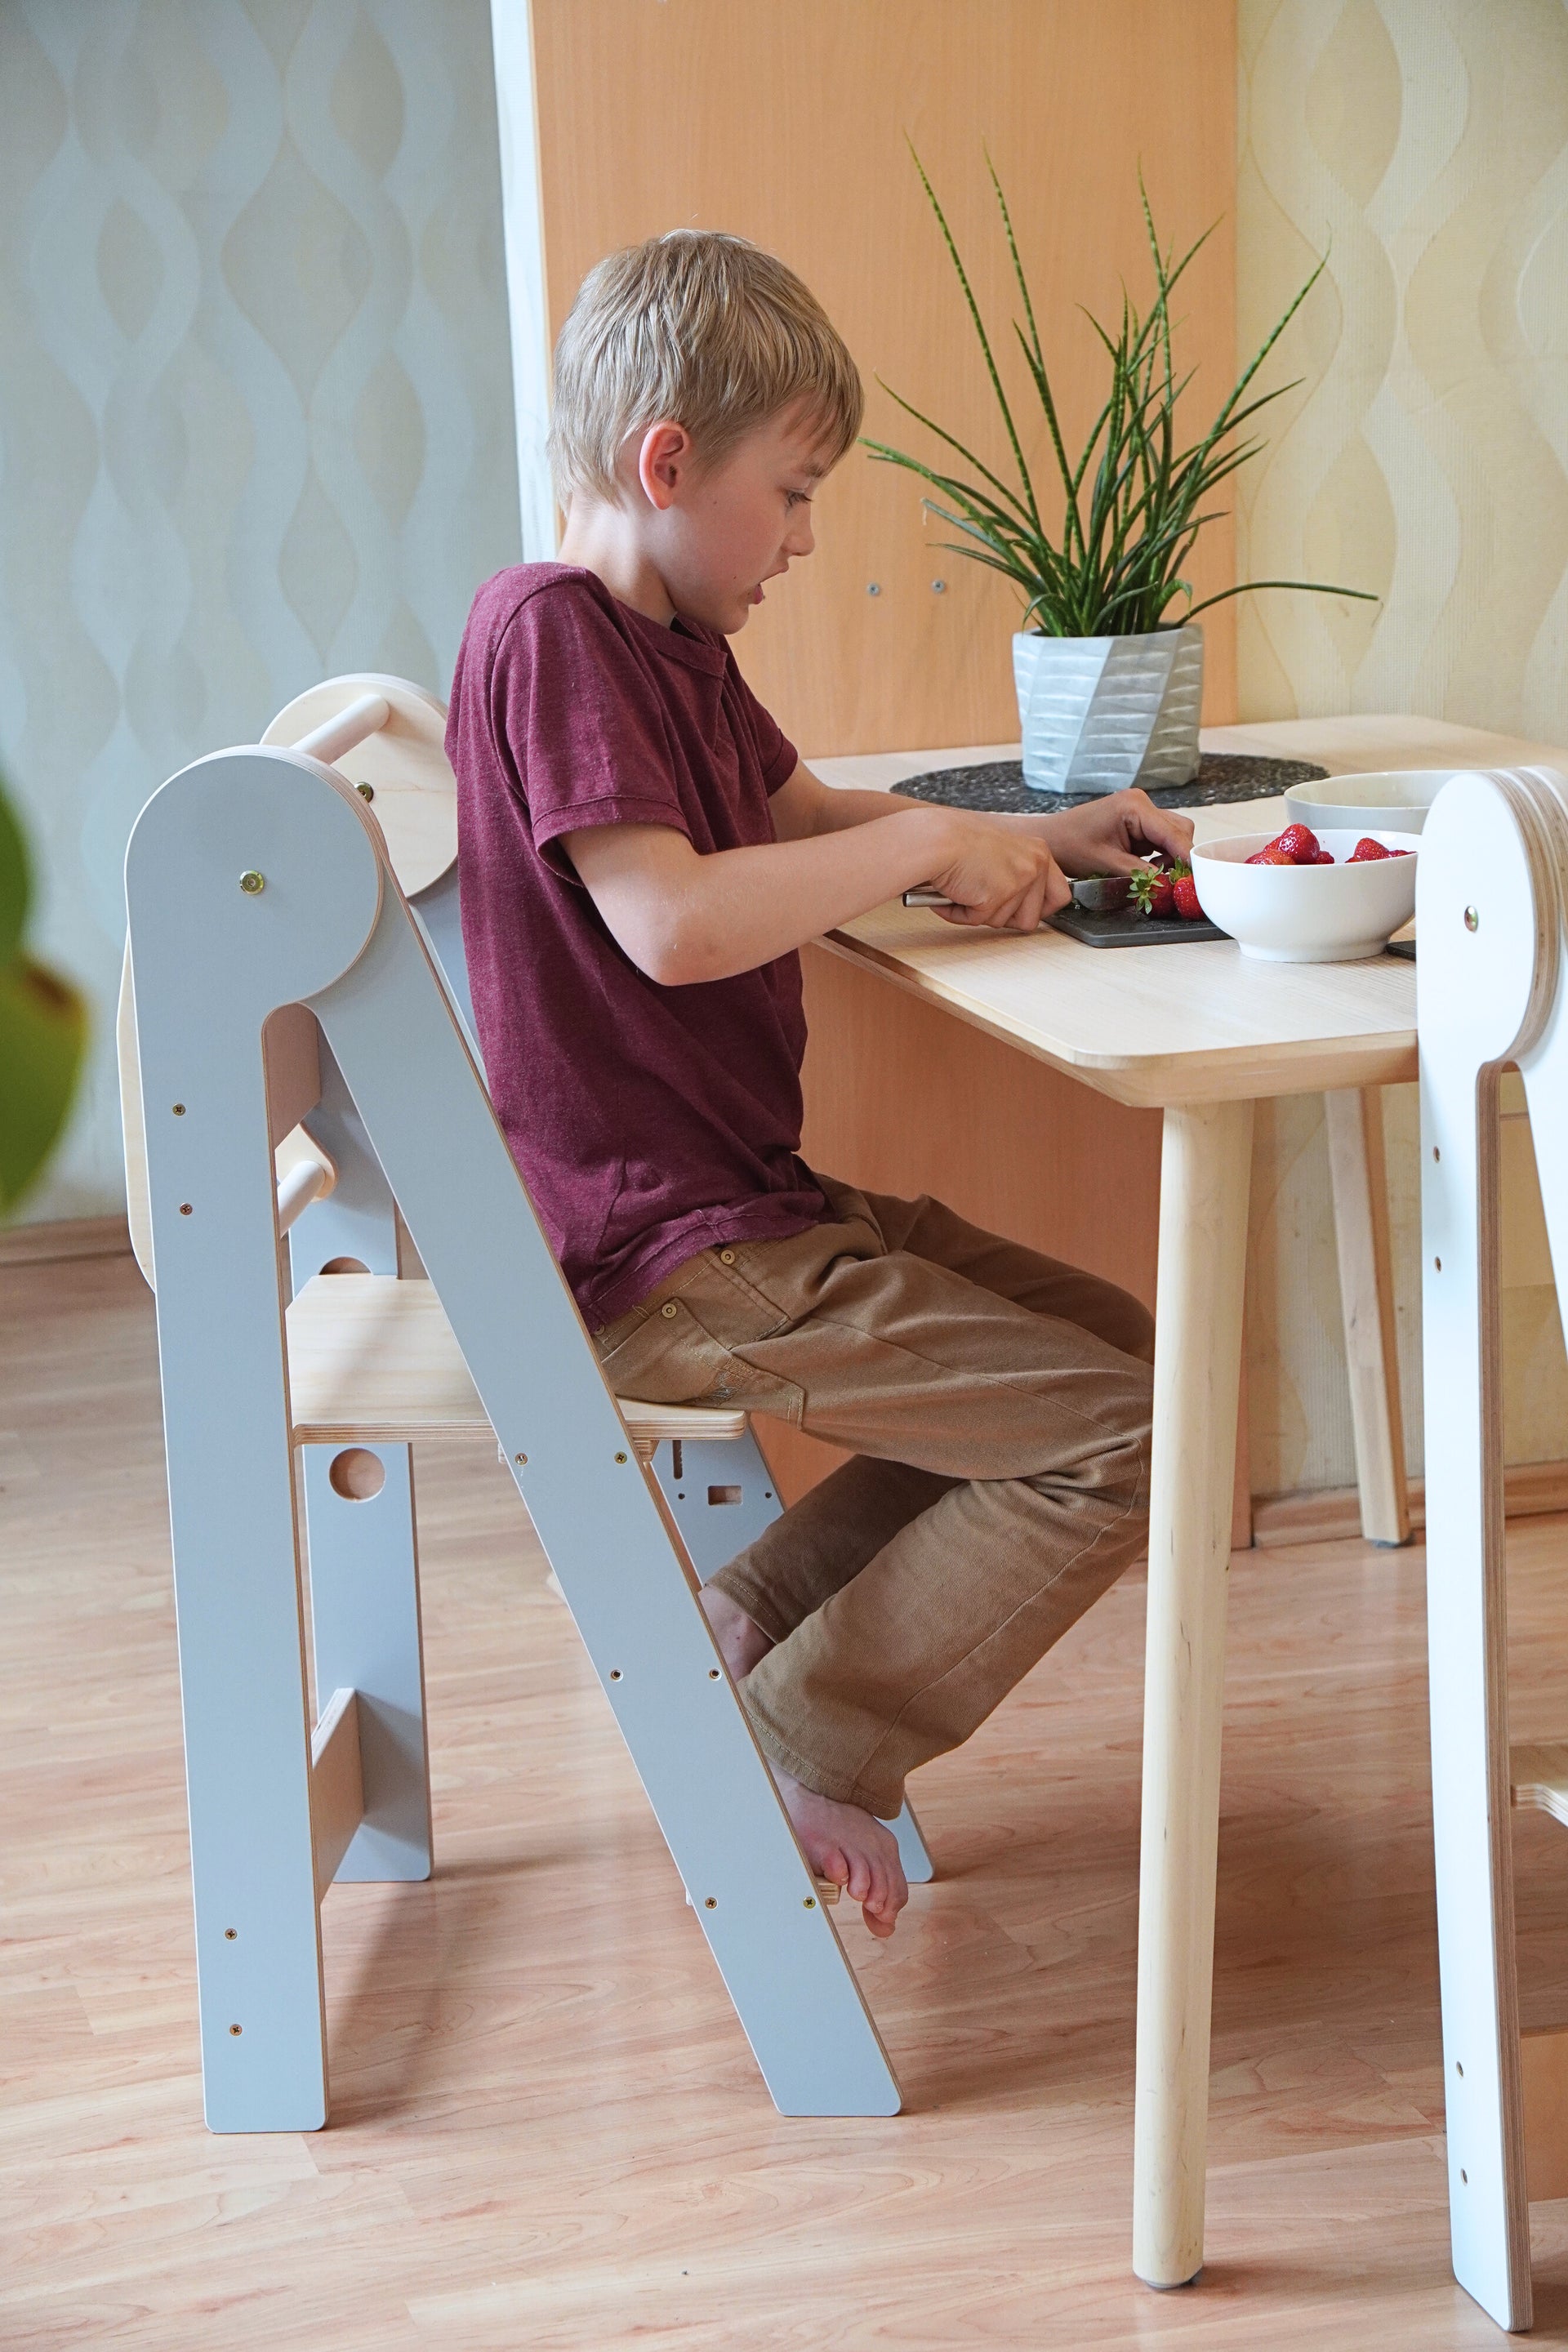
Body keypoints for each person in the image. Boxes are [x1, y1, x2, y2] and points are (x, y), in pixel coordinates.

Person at [447, 230, 1192, 1940]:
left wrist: (1018, 834)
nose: (804, 538)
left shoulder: (668, 641)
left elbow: (785, 822)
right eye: (790, 494)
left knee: (1135, 1363)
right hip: (668, 1249)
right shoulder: (551, 629)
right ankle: (814, 1733)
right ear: (666, 462)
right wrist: (930, 837)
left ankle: (750, 1622)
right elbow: (671, 922)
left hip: (738, 1205)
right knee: (1127, 1434)